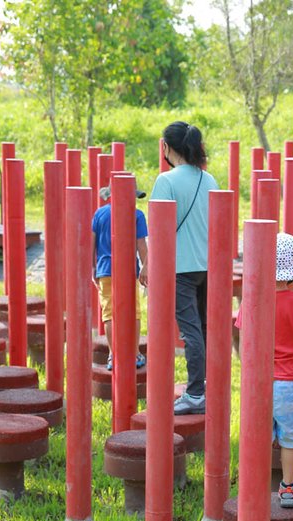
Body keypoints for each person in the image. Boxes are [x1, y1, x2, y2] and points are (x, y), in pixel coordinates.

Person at [236, 234, 293, 508]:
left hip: (259, 382)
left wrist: (249, 372)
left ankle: (253, 484)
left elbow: (243, 342)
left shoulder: (251, 300)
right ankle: (287, 487)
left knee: (258, 438)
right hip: (290, 384)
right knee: (290, 438)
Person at [152, 121, 219, 415]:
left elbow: (158, 232)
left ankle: (194, 394)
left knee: (190, 332)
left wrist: (148, 265)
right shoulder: (210, 180)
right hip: (208, 266)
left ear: (166, 147)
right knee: (203, 329)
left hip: (180, 268)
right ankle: (207, 387)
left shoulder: (165, 181)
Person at [92, 185, 148, 370]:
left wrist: (92, 268)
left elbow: (92, 243)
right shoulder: (137, 215)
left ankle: (112, 353)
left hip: (105, 270)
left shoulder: (99, 214)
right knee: (134, 311)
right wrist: (146, 267)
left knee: (108, 313)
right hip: (129, 270)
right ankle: (135, 352)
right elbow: (141, 245)